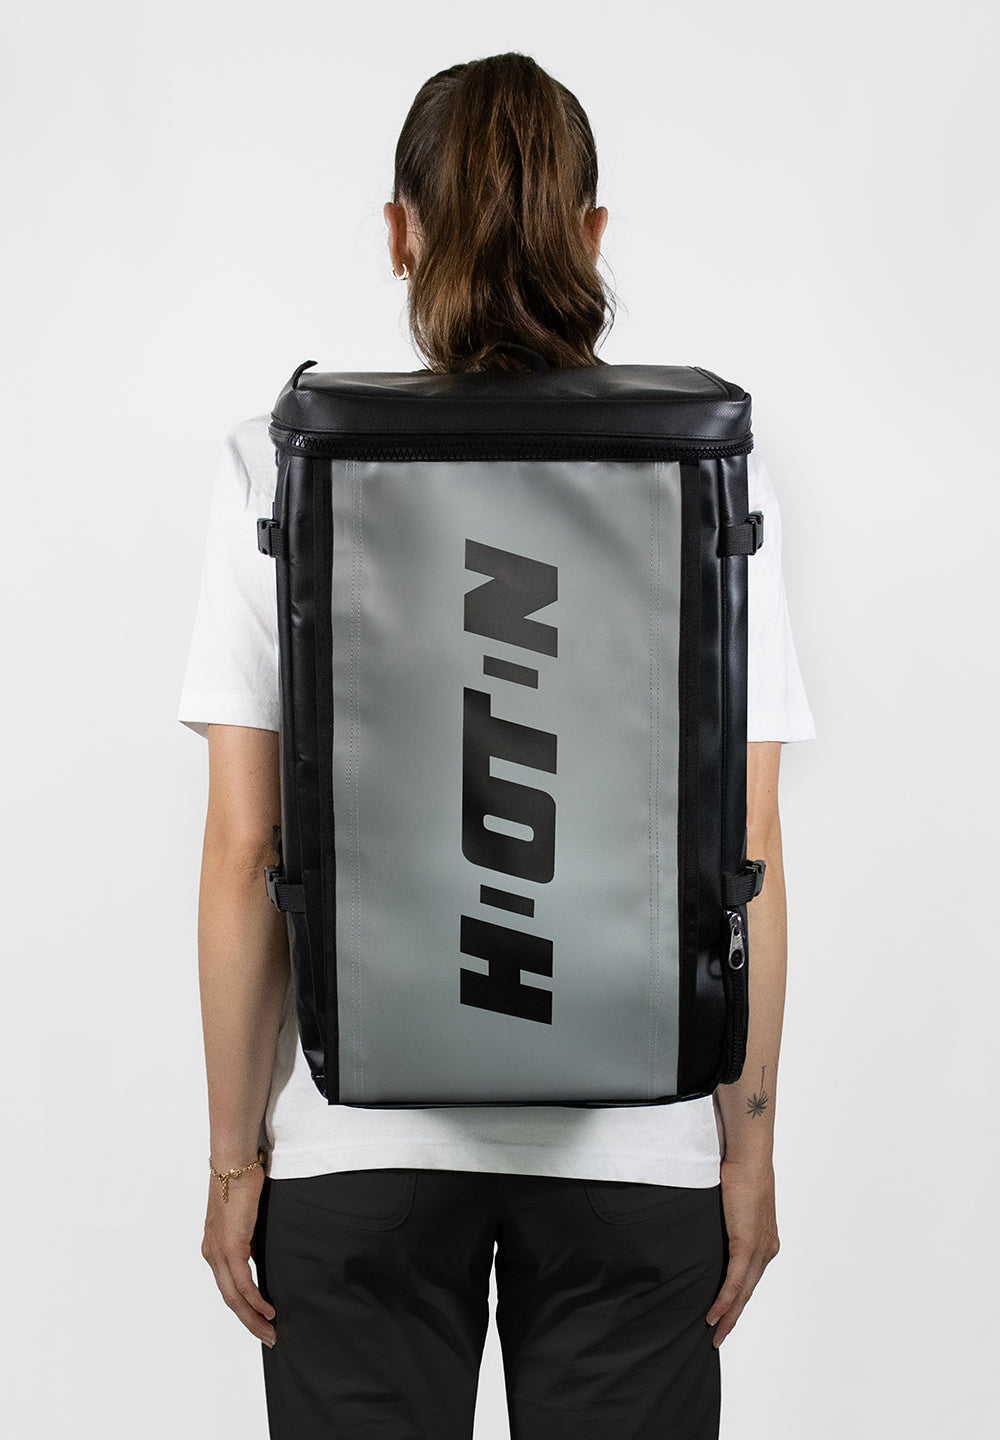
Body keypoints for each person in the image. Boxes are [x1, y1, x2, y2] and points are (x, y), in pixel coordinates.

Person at [177, 51, 816, 1440]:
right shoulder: (707, 464)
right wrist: (748, 1150)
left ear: (399, 233)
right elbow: (748, 845)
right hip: (634, 1158)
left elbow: (244, 849)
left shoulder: (281, 458)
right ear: (592, 234)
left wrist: (236, 1160)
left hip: (358, 1155)